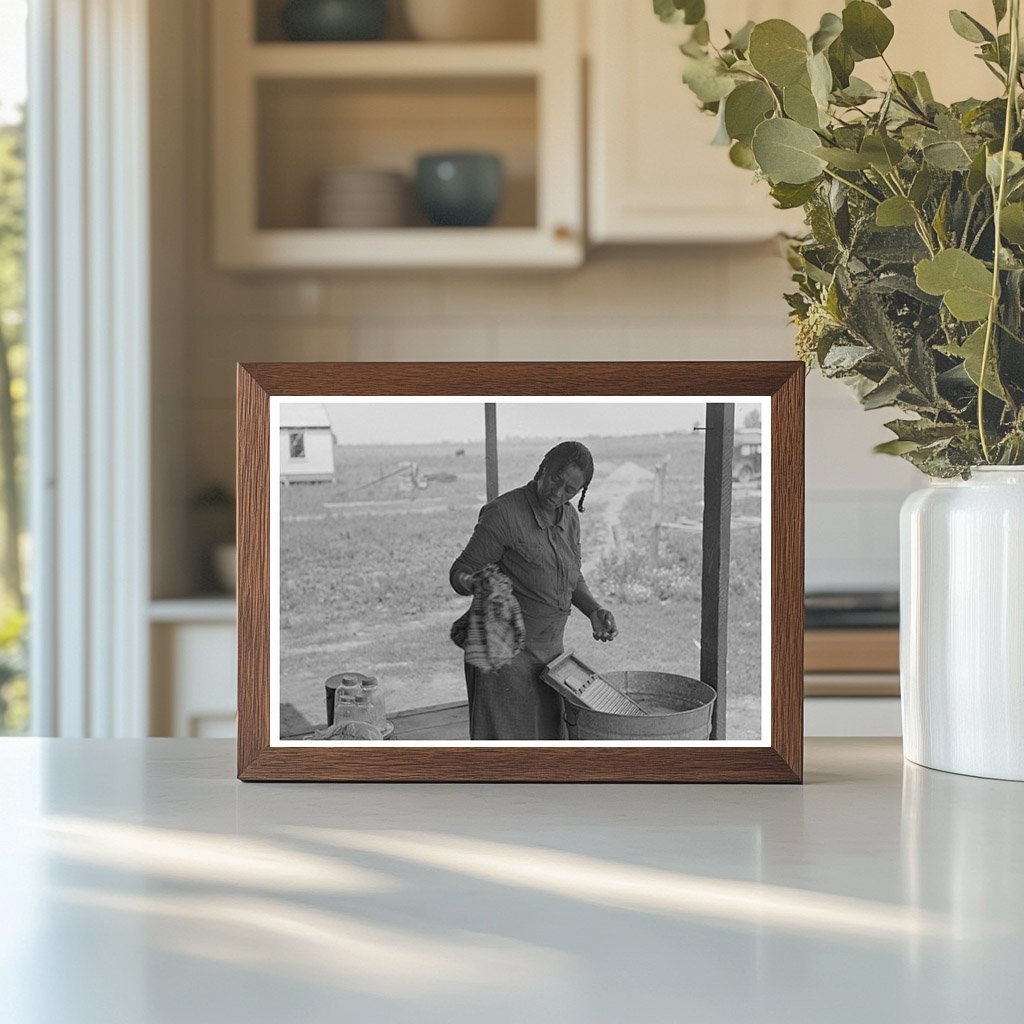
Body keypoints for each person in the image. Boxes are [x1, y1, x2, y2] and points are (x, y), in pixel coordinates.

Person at [449, 441, 618, 740]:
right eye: (555, 478)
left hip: (551, 660)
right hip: (502, 661)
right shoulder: (503, 514)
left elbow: (571, 575)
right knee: (504, 759)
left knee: (547, 749)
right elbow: (459, 572)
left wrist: (593, 609)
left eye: (569, 490)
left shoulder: (569, 519)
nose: (558, 493)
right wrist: (474, 583)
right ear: (543, 468)